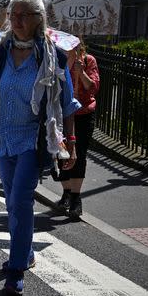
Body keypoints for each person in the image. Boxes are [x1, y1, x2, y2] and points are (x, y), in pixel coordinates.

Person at [0, 0, 80, 296]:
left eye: (23, 15)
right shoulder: (0, 51)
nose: (16, 20)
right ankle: (27, 251)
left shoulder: (53, 56)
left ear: (38, 19)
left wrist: (69, 143)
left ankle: (16, 269)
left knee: (20, 201)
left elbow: (66, 104)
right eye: (13, 15)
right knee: (12, 203)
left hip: (32, 141)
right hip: (2, 138)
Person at [56, 41, 100, 218]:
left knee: (79, 154)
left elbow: (93, 87)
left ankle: (76, 198)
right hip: (62, 113)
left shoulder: (89, 61)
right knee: (61, 153)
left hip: (83, 114)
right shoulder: (58, 60)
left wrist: (80, 72)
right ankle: (66, 192)